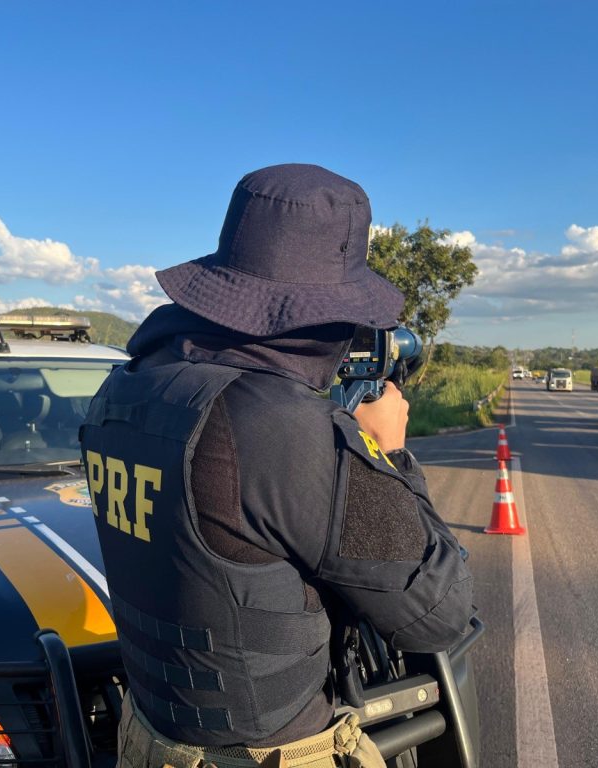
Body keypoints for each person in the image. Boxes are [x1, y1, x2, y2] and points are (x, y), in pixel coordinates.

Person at [80, 163, 474, 768]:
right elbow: (437, 614)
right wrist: (390, 454)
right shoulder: (279, 426)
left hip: (144, 735)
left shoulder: (123, 390)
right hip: (266, 753)